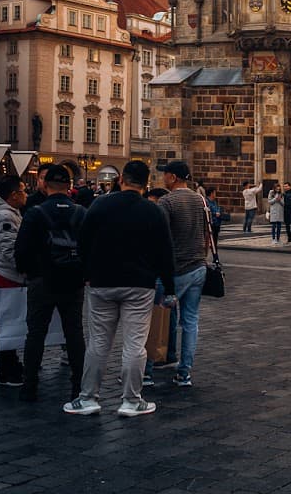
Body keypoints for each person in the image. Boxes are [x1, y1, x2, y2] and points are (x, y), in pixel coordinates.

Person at [64, 160, 176, 419]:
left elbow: (82, 242)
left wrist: (87, 274)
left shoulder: (101, 204)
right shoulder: (153, 211)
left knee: (99, 342)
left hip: (102, 281)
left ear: (121, 179)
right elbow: (165, 253)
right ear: (146, 183)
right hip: (140, 284)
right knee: (135, 344)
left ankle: (88, 397)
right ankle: (130, 400)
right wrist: (169, 288)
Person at [11, 163, 87, 401]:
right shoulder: (81, 212)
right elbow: (91, 246)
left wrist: (27, 272)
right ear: (69, 186)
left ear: (44, 184)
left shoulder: (35, 212)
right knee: (74, 333)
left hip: (42, 279)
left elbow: (21, 249)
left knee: (35, 333)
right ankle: (78, 386)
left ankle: (29, 385)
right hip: (73, 281)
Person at [156, 160, 210, 387]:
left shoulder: (166, 201)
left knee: (157, 317)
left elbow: (160, 238)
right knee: (190, 321)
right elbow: (208, 232)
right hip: (198, 267)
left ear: (173, 177)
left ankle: (147, 371)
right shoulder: (200, 199)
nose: (162, 178)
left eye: (165, 174)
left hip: (175, 269)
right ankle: (184, 372)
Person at [0, 174, 28, 384]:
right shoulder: (5, 216)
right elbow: (9, 249)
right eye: (23, 190)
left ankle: (10, 366)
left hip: (8, 275)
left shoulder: (10, 212)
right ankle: (8, 370)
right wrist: (25, 269)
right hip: (9, 276)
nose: (26, 195)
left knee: (9, 324)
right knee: (8, 325)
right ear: (13, 195)